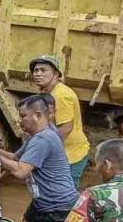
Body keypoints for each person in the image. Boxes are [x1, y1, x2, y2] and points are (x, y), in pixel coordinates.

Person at [0, 94, 80, 222]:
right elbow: (15, 158)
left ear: (37, 115)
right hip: (43, 203)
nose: (20, 121)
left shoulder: (43, 139)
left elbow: (20, 171)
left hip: (58, 207)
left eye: (23, 116)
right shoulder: (36, 136)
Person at [29, 55, 90, 185]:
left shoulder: (61, 95)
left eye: (43, 70)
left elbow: (66, 128)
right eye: (35, 70)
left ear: (56, 74)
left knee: (64, 198)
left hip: (71, 156)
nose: (38, 74)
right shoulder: (51, 92)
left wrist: (43, 149)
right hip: (67, 153)